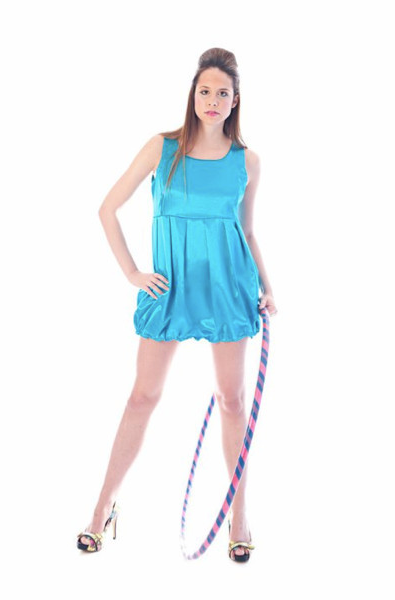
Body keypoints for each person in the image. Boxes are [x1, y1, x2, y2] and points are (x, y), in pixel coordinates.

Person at [76, 47, 278, 563]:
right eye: (204, 90)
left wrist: (267, 286)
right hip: (170, 289)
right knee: (142, 397)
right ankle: (102, 508)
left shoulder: (247, 161)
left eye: (222, 93)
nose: (212, 100)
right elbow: (106, 209)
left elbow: (247, 231)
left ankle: (238, 517)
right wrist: (133, 274)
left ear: (235, 101)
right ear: (193, 94)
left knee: (232, 401)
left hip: (228, 287)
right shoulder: (161, 148)